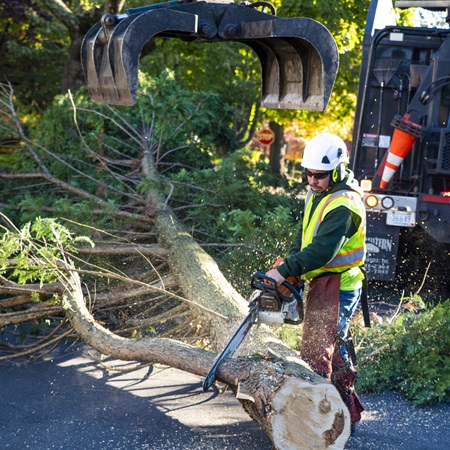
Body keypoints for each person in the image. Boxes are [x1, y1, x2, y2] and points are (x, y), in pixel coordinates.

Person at [266, 133, 366, 428]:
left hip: (339, 285)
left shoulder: (344, 204)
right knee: (327, 349)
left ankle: (321, 419)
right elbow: (304, 235)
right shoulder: (318, 193)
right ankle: (343, 412)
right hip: (321, 280)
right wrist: (290, 263)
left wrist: (286, 272)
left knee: (318, 352)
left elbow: (323, 250)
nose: (312, 179)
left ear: (336, 171)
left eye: (319, 175)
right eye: (308, 173)